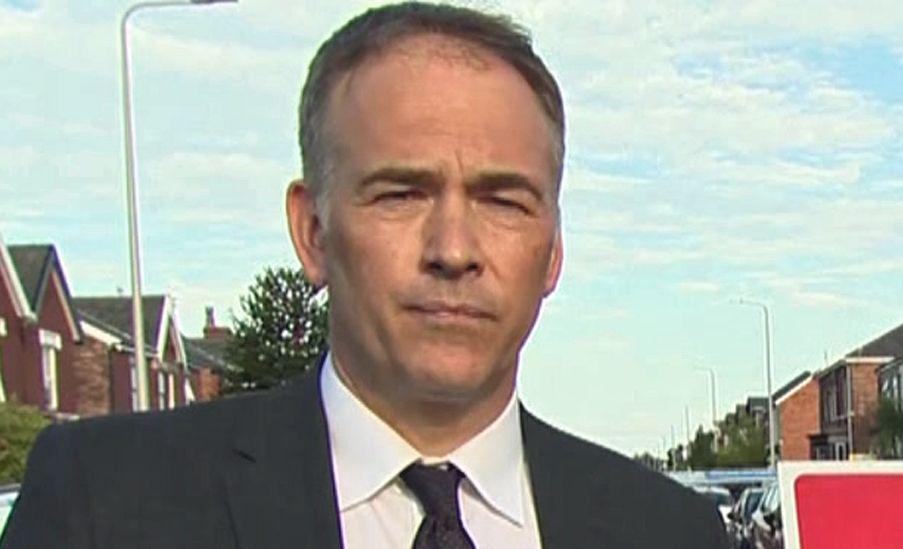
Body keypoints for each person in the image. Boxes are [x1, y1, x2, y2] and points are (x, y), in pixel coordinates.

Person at [1, 3, 726, 548]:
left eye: (504, 200)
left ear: (554, 249)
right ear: (312, 231)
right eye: (401, 194)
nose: (453, 248)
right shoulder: (108, 504)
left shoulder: (671, 531)